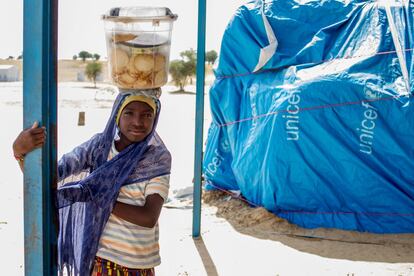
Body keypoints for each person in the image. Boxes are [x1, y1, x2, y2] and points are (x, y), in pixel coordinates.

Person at [12, 91, 171, 276]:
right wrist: (20, 152)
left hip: (139, 262)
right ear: (117, 115)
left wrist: (95, 197)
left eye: (147, 115)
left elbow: (148, 217)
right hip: (101, 258)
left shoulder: (156, 158)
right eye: (129, 113)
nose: (137, 122)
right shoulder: (99, 148)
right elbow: (50, 177)